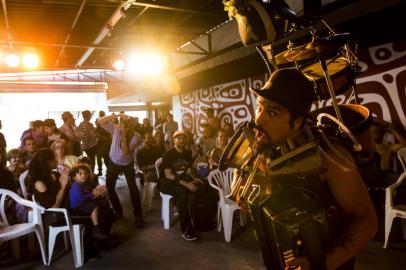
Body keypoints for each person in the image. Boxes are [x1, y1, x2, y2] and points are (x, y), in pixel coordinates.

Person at [243, 69, 377, 270]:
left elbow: (367, 222)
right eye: (259, 108)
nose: (259, 120)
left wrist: (321, 264)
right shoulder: (270, 146)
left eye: (272, 112)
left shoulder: (329, 157)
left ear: (297, 122)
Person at [98, 113, 144, 227]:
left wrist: (123, 136)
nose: (124, 126)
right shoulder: (116, 129)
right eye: (123, 123)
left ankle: (138, 215)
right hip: (113, 162)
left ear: (132, 126)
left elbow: (125, 151)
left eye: (127, 125)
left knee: (133, 188)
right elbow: (100, 121)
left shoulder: (136, 137)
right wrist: (116, 114)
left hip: (127, 164)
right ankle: (118, 211)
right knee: (109, 186)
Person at [159, 130, 204, 241]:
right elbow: (168, 175)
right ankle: (186, 229)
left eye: (183, 138)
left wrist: (194, 179)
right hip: (166, 182)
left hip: (181, 180)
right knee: (182, 192)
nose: (181, 140)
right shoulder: (169, 154)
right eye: (178, 138)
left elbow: (188, 170)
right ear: (174, 140)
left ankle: (200, 221)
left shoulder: (187, 153)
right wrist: (187, 184)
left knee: (201, 186)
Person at [69, 163, 113, 240]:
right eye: (80, 173)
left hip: (85, 202)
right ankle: (96, 228)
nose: (83, 175)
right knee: (94, 207)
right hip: (77, 206)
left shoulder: (86, 183)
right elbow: (80, 198)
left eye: (85, 173)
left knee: (104, 202)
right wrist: (92, 193)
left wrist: (99, 192)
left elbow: (91, 194)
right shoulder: (75, 186)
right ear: (74, 176)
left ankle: (106, 231)